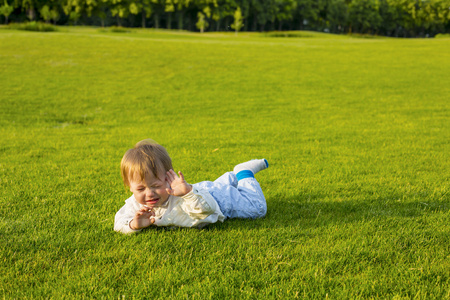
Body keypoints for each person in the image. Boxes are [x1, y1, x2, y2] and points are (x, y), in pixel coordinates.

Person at [114, 139, 269, 233]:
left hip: (218, 200)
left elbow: (206, 210)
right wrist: (134, 224)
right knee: (214, 186)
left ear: (169, 178)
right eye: (140, 189)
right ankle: (230, 178)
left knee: (257, 209)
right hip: (204, 190)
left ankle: (243, 173)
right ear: (130, 187)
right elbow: (118, 222)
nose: (149, 194)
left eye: (155, 186)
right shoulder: (136, 205)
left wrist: (188, 193)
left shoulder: (180, 196)